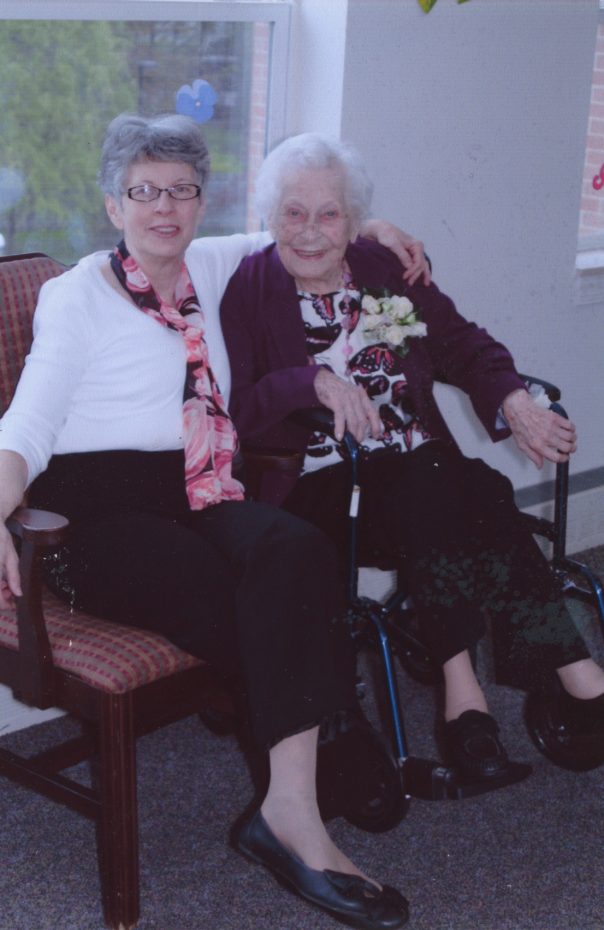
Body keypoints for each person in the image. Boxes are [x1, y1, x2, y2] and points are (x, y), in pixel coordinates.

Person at [0, 115, 430, 930]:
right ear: (112, 203)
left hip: (198, 488)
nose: (165, 209)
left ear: (202, 203)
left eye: (182, 191)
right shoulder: (78, 295)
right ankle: (324, 750)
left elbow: (305, 227)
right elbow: (24, 425)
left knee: (295, 548)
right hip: (92, 515)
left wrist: (371, 224)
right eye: (144, 192)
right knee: (231, 591)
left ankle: (285, 807)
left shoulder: (213, 260)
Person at [220, 131, 604, 783]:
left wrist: (512, 399)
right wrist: (309, 382)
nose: (310, 231)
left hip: (421, 486)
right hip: (322, 494)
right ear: (269, 215)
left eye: (329, 213)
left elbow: (460, 342)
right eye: (293, 212)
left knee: (450, 482)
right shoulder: (249, 290)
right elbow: (237, 407)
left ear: (354, 218)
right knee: (467, 485)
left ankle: (468, 702)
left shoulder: (380, 267)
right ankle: (575, 676)